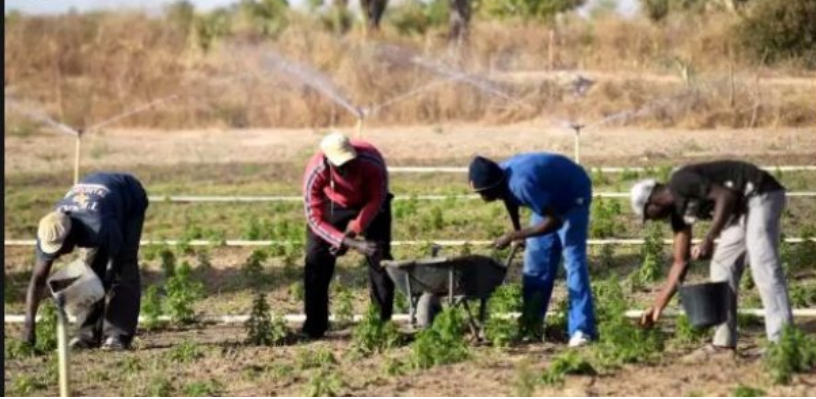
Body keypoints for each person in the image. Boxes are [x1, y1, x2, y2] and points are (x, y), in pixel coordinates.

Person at [631, 160, 792, 352]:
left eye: (648, 216)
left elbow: (725, 196)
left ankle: (783, 343)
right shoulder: (678, 215)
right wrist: (657, 306)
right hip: (740, 211)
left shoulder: (680, 182)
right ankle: (724, 342)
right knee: (721, 264)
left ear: (652, 202)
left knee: (763, 265)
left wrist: (709, 239)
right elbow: (680, 262)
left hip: (760, 193)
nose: (652, 220)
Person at [468, 153, 597, 347]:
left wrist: (514, 236)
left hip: (572, 194)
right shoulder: (500, 175)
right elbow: (508, 198)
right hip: (547, 199)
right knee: (536, 264)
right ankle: (531, 325)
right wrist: (519, 231)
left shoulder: (521, 184)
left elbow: (554, 221)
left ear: (492, 186)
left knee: (573, 262)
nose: (481, 197)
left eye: (482, 193)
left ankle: (582, 330)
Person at [24, 172, 149, 351]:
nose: (57, 254)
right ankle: (86, 336)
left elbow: (113, 266)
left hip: (128, 196)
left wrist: (91, 290)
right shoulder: (49, 227)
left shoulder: (98, 225)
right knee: (88, 269)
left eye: (59, 248)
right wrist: (28, 327)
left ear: (70, 237)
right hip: (99, 203)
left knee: (124, 268)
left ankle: (117, 335)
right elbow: (37, 280)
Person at [301, 132, 394, 339]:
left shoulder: (372, 162)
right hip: (332, 204)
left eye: (349, 163)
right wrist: (345, 241)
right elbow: (314, 219)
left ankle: (380, 324)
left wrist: (352, 231)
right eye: (340, 166)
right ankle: (314, 326)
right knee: (316, 259)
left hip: (369, 203)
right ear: (327, 161)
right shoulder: (316, 172)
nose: (346, 169)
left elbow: (376, 200)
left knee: (380, 257)